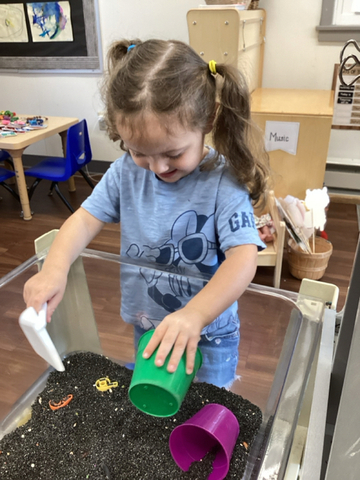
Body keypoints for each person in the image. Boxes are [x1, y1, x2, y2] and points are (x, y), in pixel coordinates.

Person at [23, 39, 270, 388]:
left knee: (209, 410)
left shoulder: (222, 182)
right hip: (148, 326)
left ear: (209, 119)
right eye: (139, 152)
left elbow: (243, 259)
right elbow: (83, 219)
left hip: (209, 336)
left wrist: (195, 315)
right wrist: (54, 269)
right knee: (152, 406)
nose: (156, 167)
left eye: (173, 153)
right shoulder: (126, 171)